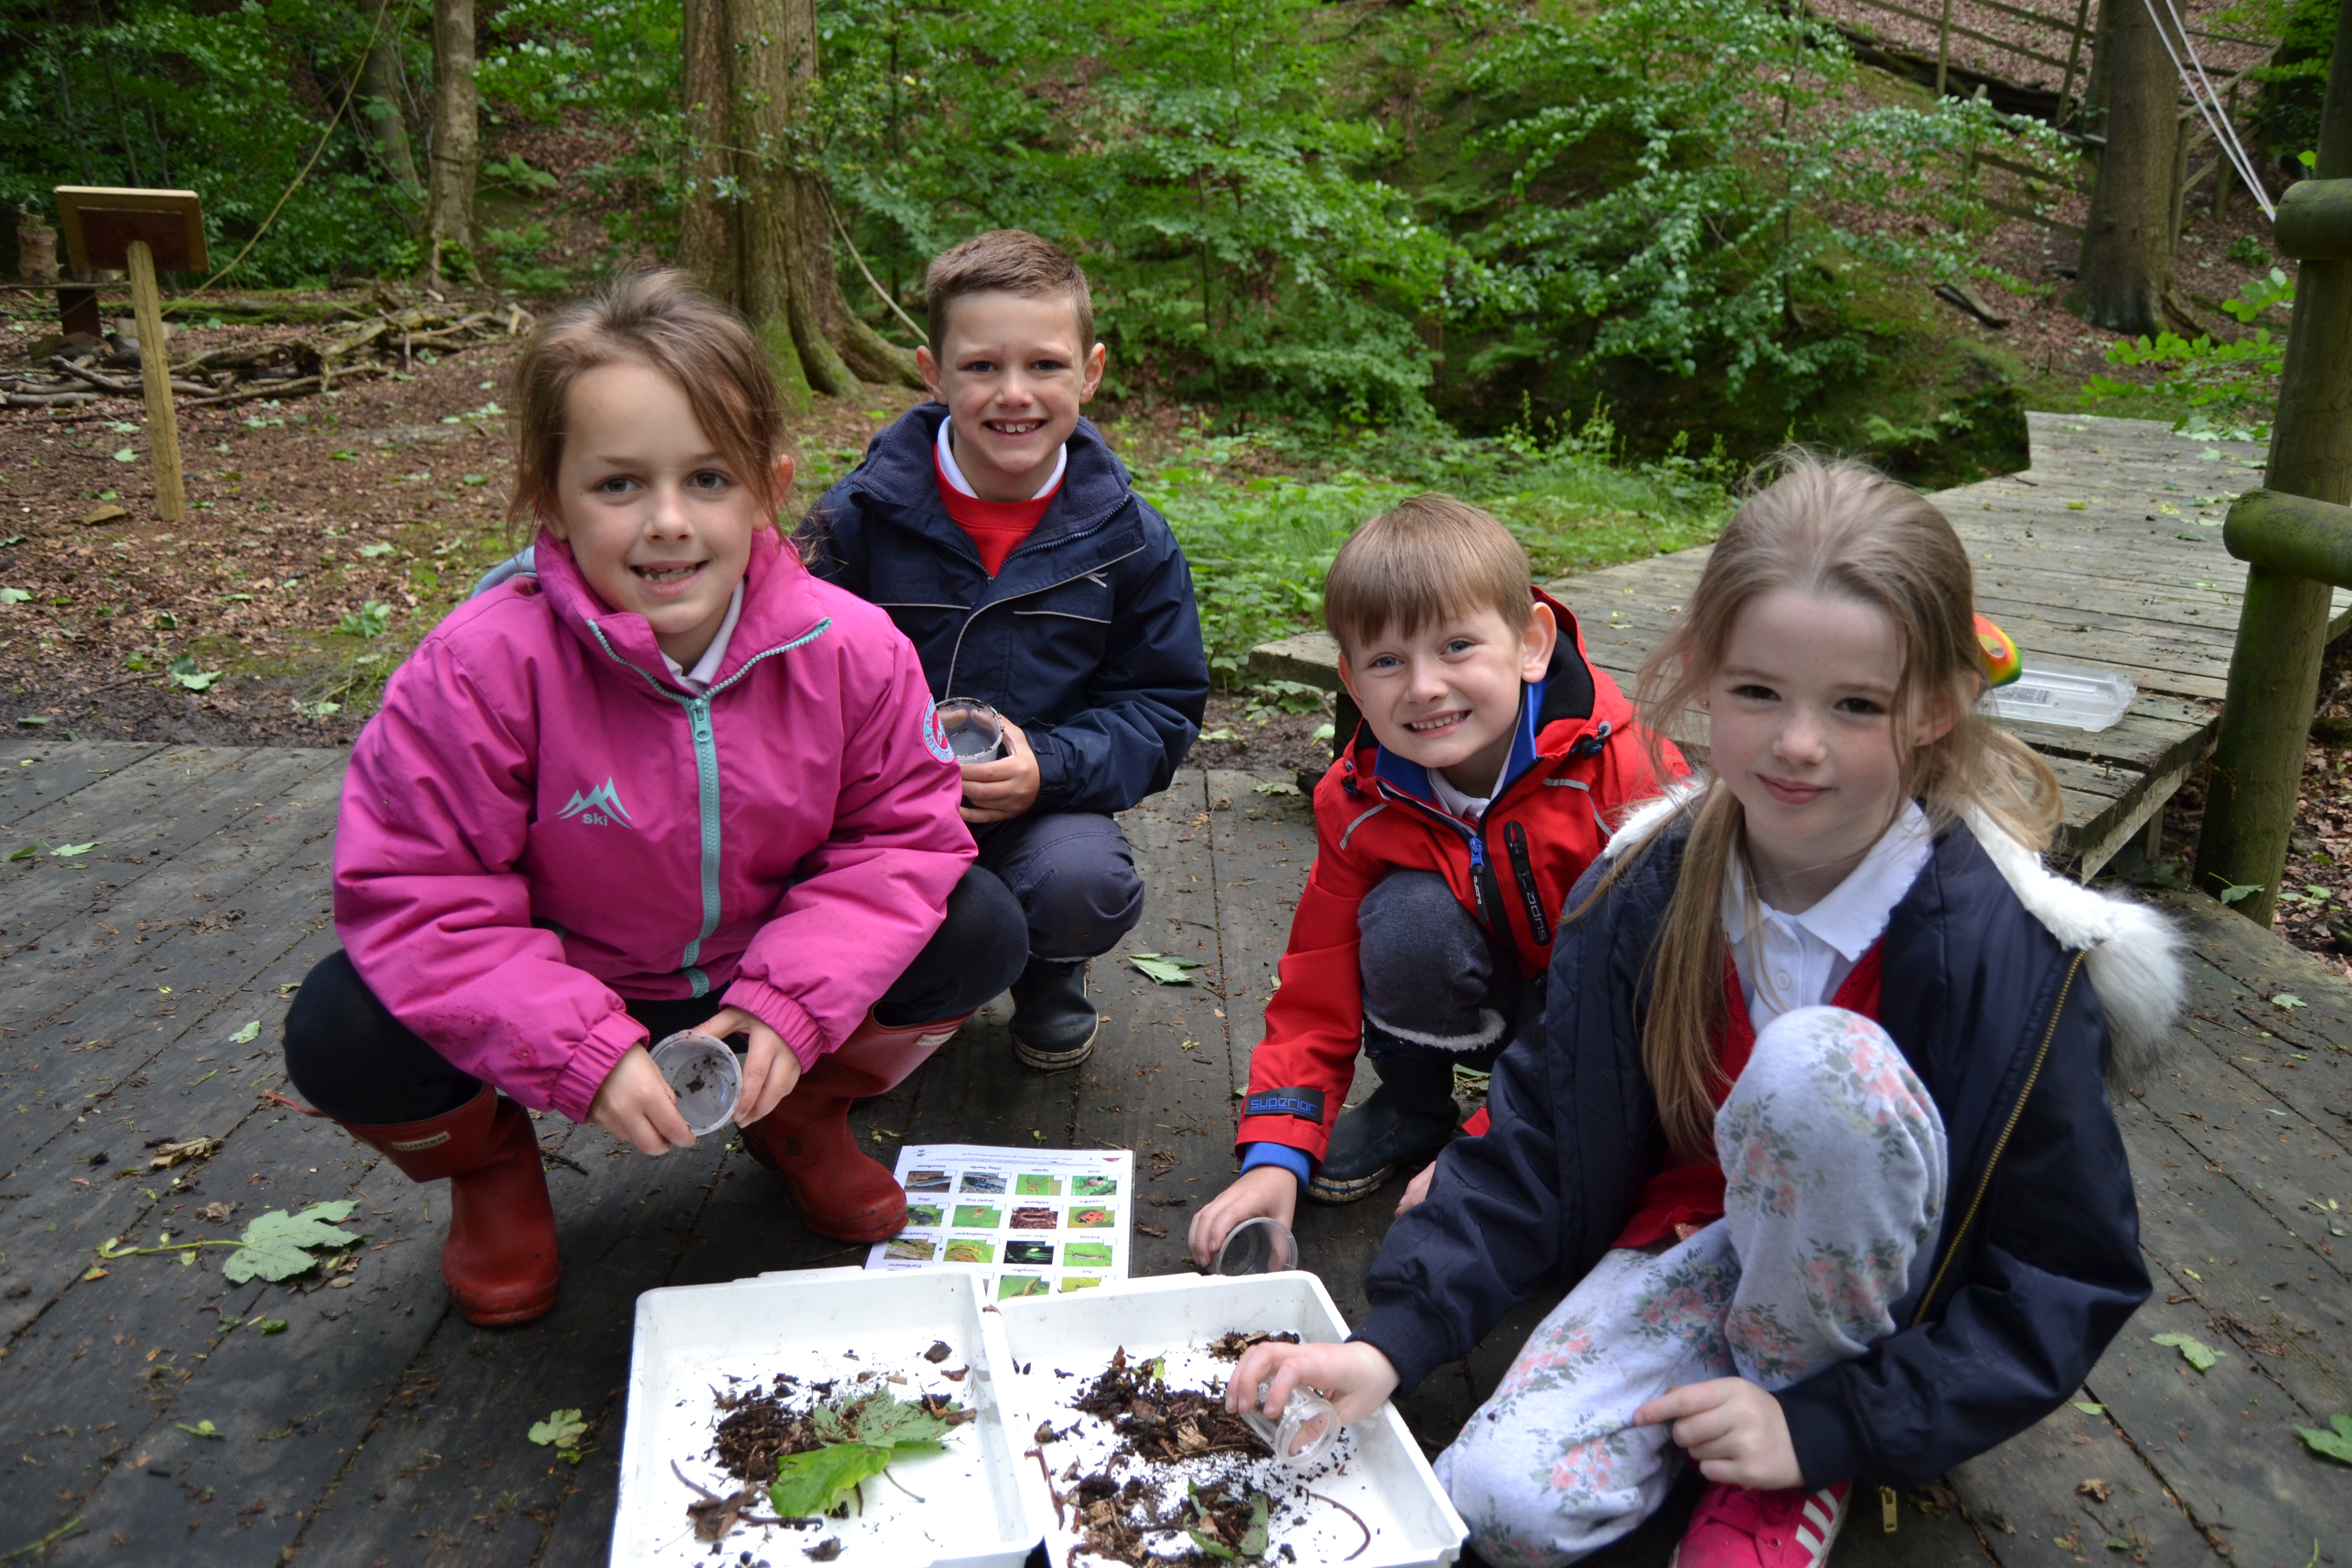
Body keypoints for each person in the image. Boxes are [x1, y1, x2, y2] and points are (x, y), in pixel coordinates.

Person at [1225, 456, 2179, 1567]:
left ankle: (1791, 1456)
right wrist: (1390, 1342)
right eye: (1759, 693)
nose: (1798, 743)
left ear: (1932, 709)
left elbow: (2067, 1271)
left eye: (1855, 705)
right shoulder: (1648, 886)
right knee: (1496, 1505)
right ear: (1703, 679)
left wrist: (1822, 1426)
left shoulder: (2004, 949)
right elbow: (1538, 1133)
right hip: (1696, 1242)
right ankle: (1719, 1403)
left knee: (1815, 1070)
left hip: (1888, 1317)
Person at [280, 271, 1027, 1327]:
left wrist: (789, 1008)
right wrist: (579, 1047)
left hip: (757, 976)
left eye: (709, 479)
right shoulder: (479, 668)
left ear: (768, 485)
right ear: (550, 495)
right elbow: (423, 897)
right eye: (620, 484)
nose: (668, 523)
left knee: (981, 925)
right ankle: (492, 1170)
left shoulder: (853, 649)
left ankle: (801, 1114)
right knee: (341, 1025)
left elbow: (900, 842)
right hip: (563, 988)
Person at [1187, 496, 1682, 1265]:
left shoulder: (1624, 772)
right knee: (1406, 917)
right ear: (1352, 682)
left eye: (1457, 647)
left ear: (1531, 644)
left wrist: (1491, 1148)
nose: (1422, 687)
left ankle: (1529, 1134)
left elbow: (1658, 986)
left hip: (1621, 1032)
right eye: (1387, 661)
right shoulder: (1356, 800)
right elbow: (1317, 984)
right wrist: (1276, 1154)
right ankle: (1416, 1106)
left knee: (1590, 1220)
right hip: (1489, 1010)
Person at [800, 230, 1209, 1070]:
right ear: (932, 372)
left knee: (1082, 883)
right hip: (881, 808)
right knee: (900, 908)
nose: (1013, 394)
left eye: (1046, 367)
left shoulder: (1129, 539)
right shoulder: (858, 519)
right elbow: (791, 673)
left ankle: (1050, 970)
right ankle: (903, 979)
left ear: (1090, 372)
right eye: (982, 367)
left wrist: (1047, 768)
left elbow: (1162, 705)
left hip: (1043, 808)